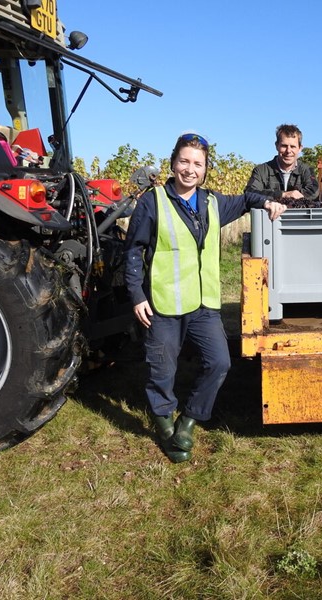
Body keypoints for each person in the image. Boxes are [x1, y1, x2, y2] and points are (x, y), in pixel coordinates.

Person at [124, 132, 287, 463]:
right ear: (173, 164)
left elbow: (244, 200)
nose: (190, 169)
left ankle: (189, 420)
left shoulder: (213, 203)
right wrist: (136, 294)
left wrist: (267, 201)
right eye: (184, 161)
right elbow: (132, 251)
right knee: (162, 370)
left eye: (197, 164)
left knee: (220, 362)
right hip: (163, 303)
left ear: (205, 169)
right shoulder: (152, 202)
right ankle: (165, 424)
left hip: (203, 304)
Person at [245, 124, 319, 203]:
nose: (288, 151)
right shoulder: (261, 171)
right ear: (277, 146)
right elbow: (250, 193)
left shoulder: (307, 170)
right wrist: (283, 195)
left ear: (300, 148)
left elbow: (314, 192)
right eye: (284, 146)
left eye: (293, 146)